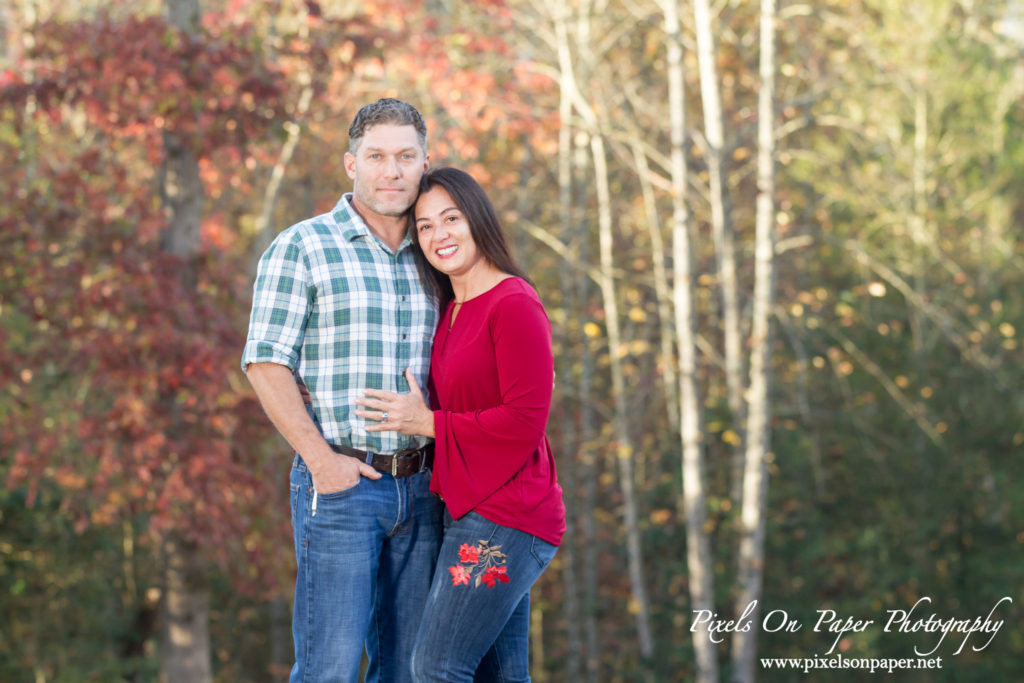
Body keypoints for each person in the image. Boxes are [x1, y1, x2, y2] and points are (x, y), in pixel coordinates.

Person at [241, 98, 443, 683]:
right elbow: (265, 362)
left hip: (428, 487)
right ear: (350, 163)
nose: (392, 171)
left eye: (406, 157)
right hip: (342, 485)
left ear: (425, 163)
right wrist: (322, 462)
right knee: (328, 668)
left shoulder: (438, 252)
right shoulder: (302, 246)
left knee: (407, 669)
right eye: (376, 156)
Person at [354, 167, 566, 682]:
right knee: (501, 675)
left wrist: (429, 423)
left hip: (507, 516)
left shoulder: (513, 303)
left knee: (435, 666)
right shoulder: (452, 310)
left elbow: (524, 421)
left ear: (477, 219)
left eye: (450, 219)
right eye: (424, 226)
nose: (438, 235)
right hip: (467, 508)